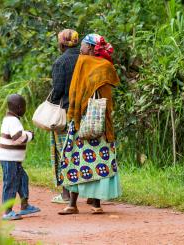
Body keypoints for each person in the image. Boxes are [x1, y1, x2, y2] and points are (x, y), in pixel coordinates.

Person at [57, 34, 122, 215]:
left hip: (81, 119)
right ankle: (95, 204)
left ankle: (73, 204)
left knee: (75, 158)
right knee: (100, 159)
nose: (81, 48)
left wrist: (77, 111)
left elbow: (76, 90)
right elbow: (107, 97)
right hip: (99, 120)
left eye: (85, 45)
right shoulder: (106, 67)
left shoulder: (83, 63)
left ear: (93, 48)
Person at [0, 94, 41, 220]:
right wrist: (29, 135)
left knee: (22, 179)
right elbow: (18, 138)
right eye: (25, 107)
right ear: (19, 108)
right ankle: (7, 211)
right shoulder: (13, 121)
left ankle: (24, 205)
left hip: (13, 159)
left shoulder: (10, 119)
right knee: (10, 183)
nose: (25, 110)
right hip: (9, 159)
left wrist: (24, 133)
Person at [50, 29, 80, 204]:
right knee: (82, 151)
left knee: (64, 151)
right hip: (85, 112)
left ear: (62, 43)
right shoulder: (86, 59)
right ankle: (92, 195)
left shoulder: (60, 62)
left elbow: (58, 91)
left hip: (66, 113)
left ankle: (66, 194)